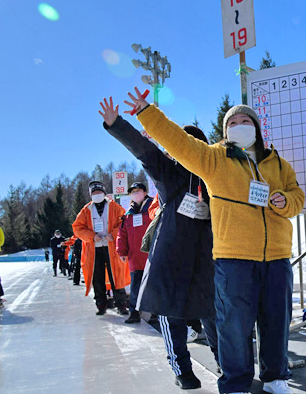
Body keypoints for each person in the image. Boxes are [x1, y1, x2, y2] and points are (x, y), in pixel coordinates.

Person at [125, 90, 304, 394]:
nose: (239, 124)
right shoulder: (215, 159)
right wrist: (147, 113)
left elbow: (297, 198)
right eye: (232, 122)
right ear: (225, 132)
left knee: (275, 321)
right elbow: (178, 142)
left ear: (256, 127)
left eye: (245, 120)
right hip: (233, 258)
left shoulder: (278, 164)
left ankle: (275, 377)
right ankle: (235, 383)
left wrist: (283, 201)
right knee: (234, 327)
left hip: (276, 257)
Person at [99, 98, 218, 390]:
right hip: (171, 255)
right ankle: (182, 371)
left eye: (196, 143)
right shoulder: (170, 173)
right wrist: (117, 125)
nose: (189, 148)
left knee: (213, 316)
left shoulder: (215, 175)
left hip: (207, 256)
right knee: (170, 313)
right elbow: (145, 151)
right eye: (184, 143)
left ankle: (227, 366)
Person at [72, 181, 131, 316]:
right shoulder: (86, 210)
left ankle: (121, 304)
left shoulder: (115, 207)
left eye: (99, 192)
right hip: (94, 249)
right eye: (94, 193)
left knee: (116, 276)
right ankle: (101, 304)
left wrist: (114, 235)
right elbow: (78, 227)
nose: (97, 195)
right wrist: (92, 237)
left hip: (111, 248)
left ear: (104, 193)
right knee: (97, 278)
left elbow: (124, 222)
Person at [115, 181, 153, 324]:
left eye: (138, 191)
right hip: (135, 258)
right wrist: (121, 251)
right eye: (133, 192)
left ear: (145, 192)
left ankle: (155, 312)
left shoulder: (153, 208)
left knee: (153, 286)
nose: (135, 194)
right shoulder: (128, 215)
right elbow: (122, 234)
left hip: (151, 256)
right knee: (135, 288)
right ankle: (134, 313)